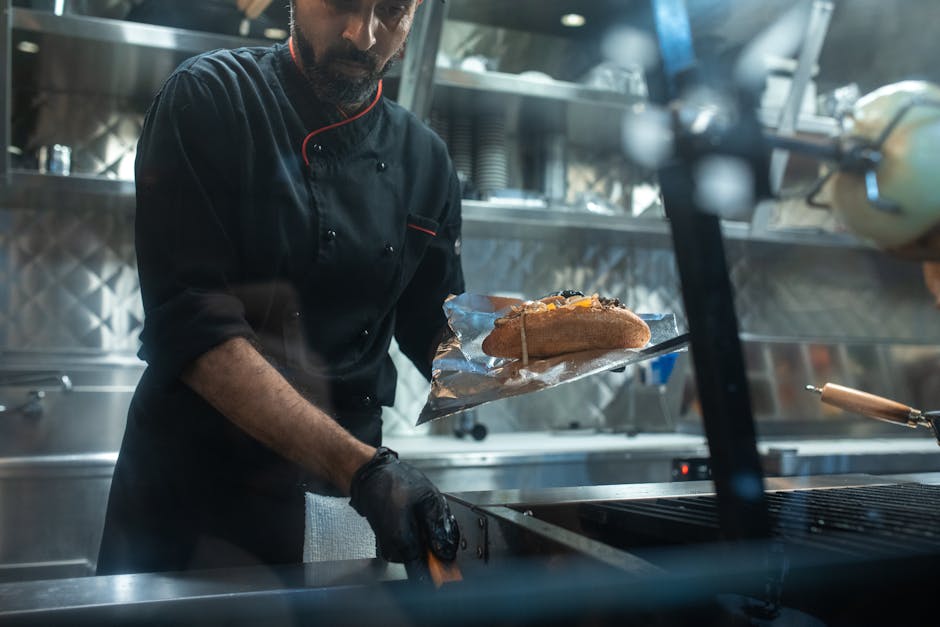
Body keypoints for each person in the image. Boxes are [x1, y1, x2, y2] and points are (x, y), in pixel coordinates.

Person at [97, 0, 463, 576]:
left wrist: (547, 355)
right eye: (341, 2)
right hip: (202, 499)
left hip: (342, 501)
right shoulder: (211, 97)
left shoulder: (427, 160)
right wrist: (365, 469)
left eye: (391, 10)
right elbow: (195, 328)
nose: (361, 34)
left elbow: (441, 336)